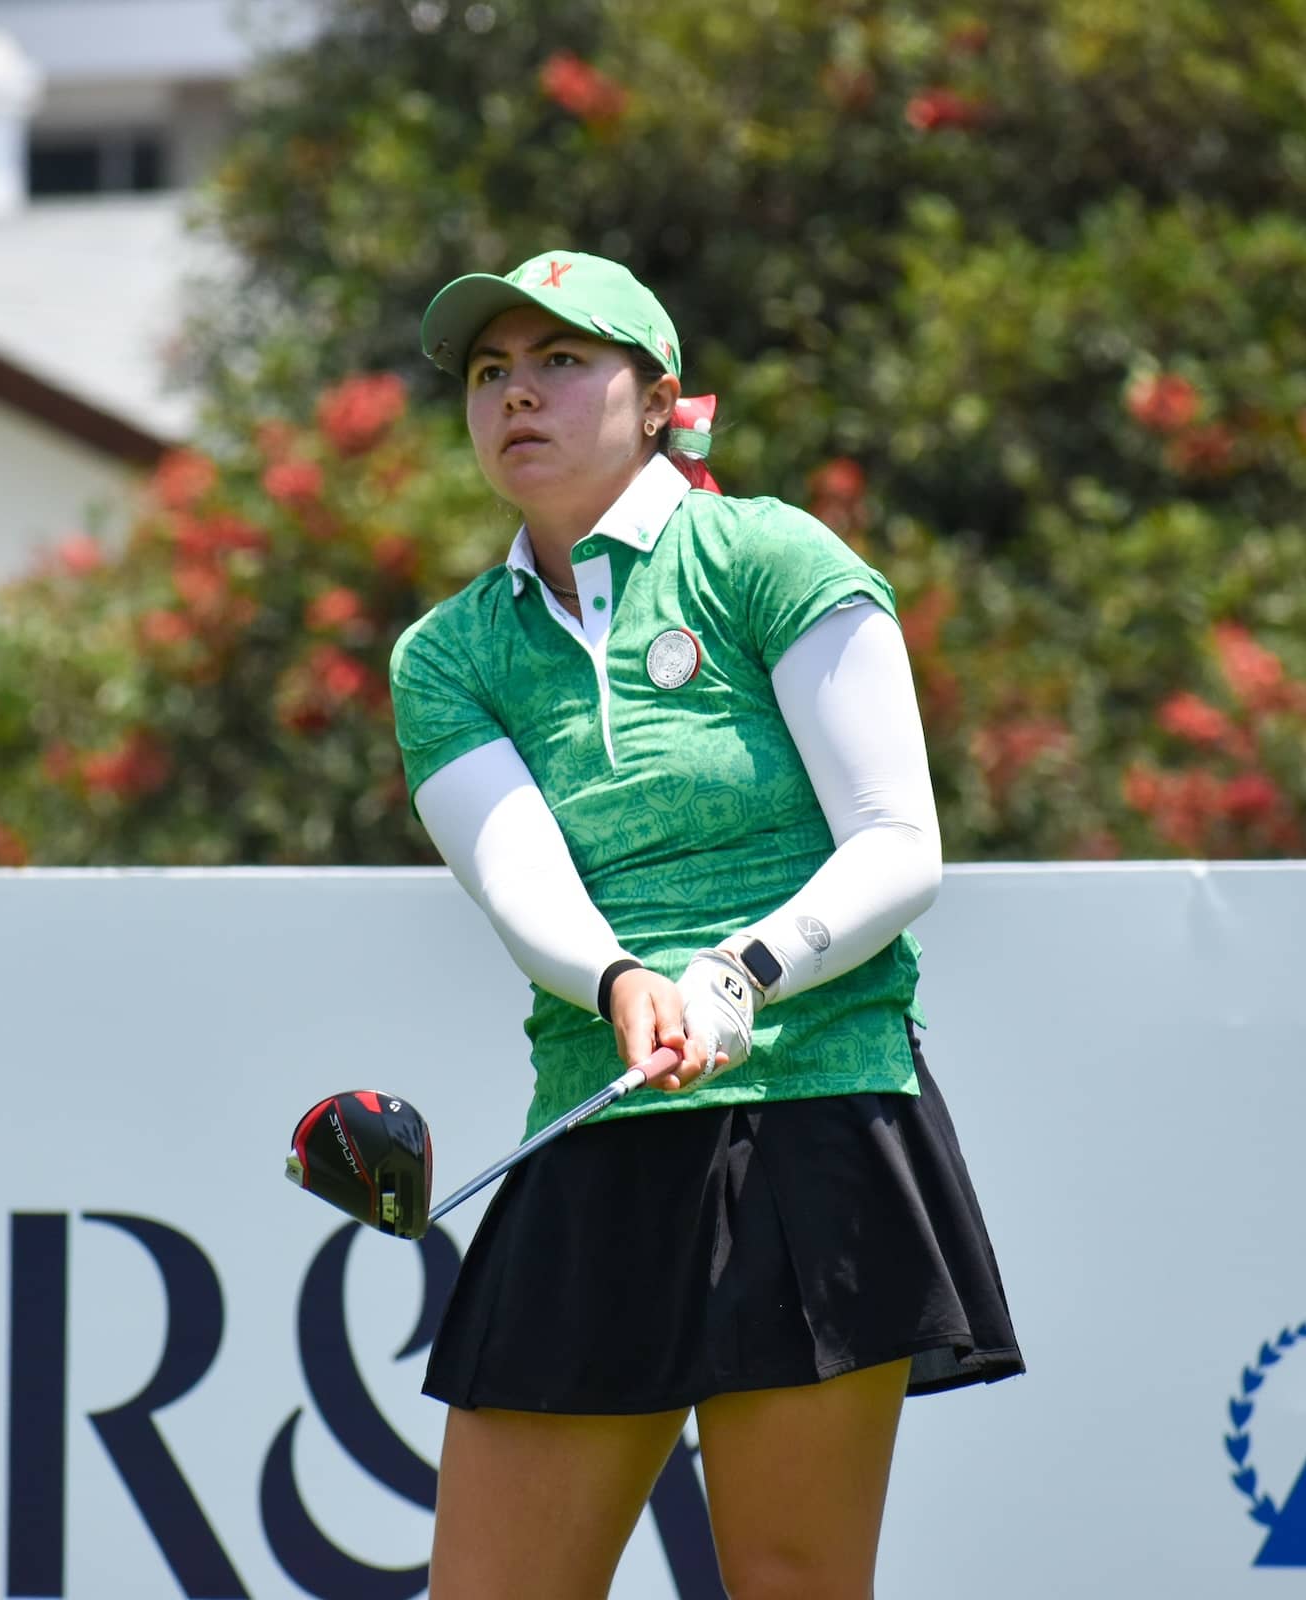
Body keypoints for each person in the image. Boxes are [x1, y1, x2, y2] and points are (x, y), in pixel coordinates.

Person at [389, 250, 1024, 1599]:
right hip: (601, 1124)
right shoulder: (448, 655)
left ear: (660, 397)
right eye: (492, 372)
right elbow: (521, 880)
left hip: (813, 1116)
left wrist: (741, 973)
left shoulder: (767, 559)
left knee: (794, 1581)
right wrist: (624, 980)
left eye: (563, 362)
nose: (519, 395)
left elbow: (899, 845)